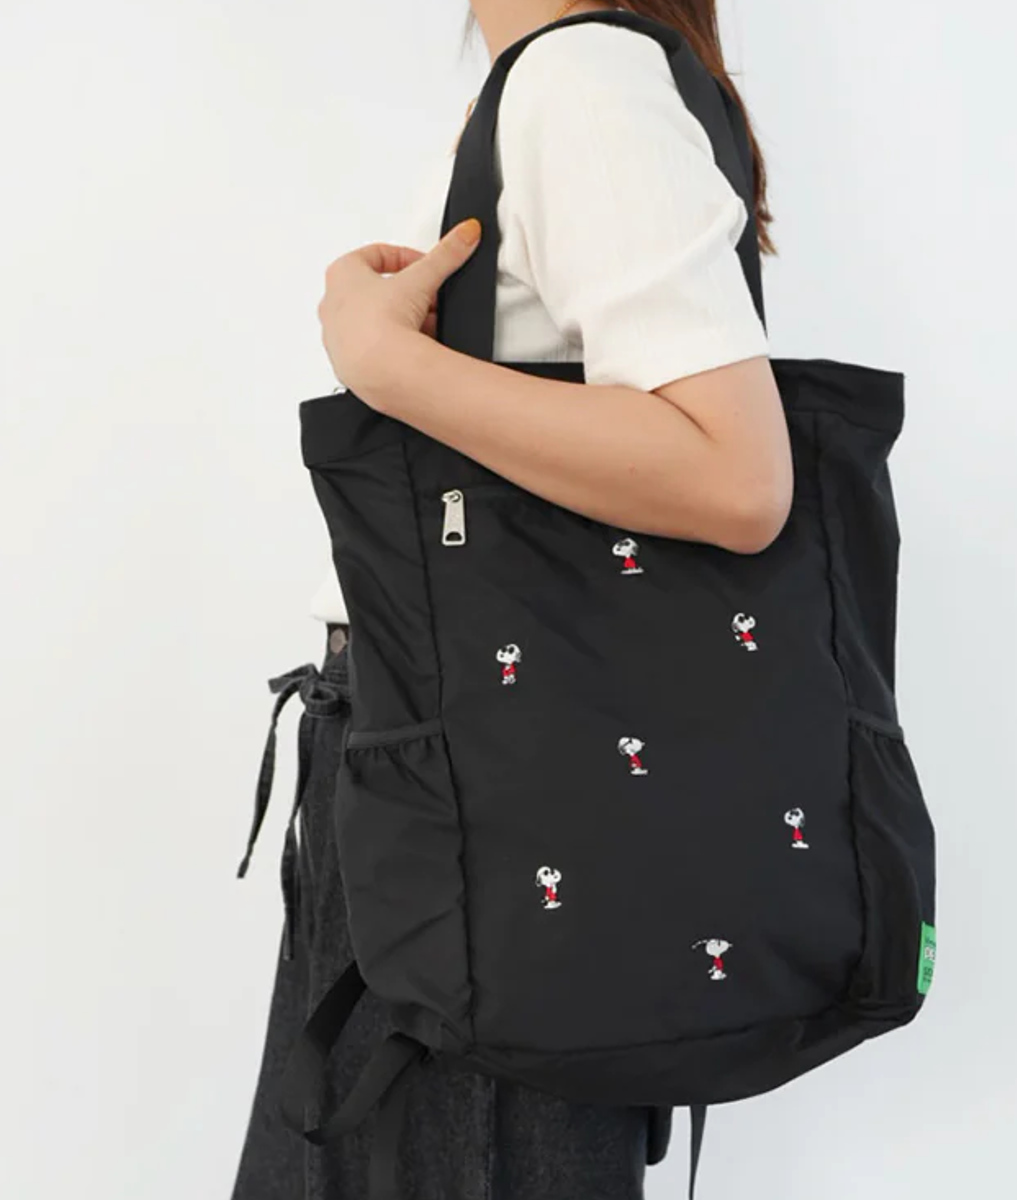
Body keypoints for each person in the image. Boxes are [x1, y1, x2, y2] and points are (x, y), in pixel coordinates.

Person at [231, 2, 790, 1197]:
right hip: (467, 792)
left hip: (489, 814)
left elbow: (738, 477)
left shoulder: (582, 78)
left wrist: (388, 365)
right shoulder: (556, 84)